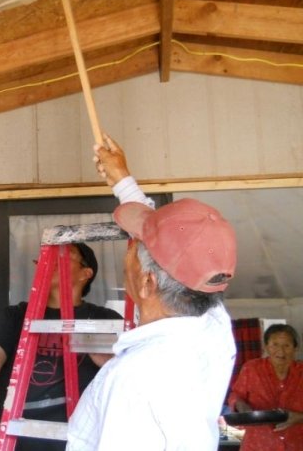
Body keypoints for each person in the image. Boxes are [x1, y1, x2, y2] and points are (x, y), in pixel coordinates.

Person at [66, 133, 238, 451]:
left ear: (148, 283)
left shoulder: (135, 381)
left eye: (136, 247)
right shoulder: (213, 327)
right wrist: (122, 180)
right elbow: (182, 246)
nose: (128, 250)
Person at [0, 243, 122, 451]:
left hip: (82, 437)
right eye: (48, 256)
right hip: (25, 436)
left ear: (86, 273)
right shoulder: (17, 316)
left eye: (65, 255)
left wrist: (111, 363)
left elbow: (131, 383)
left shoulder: (105, 320)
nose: (51, 261)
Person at [228, 323, 303, 450]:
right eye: (275, 344)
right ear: (266, 346)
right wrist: (241, 406)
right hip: (258, 444)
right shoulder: (251, 369)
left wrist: (299, 417)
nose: (281, 351)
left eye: (287, 345)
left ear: (296, 348)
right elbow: (236, 395)